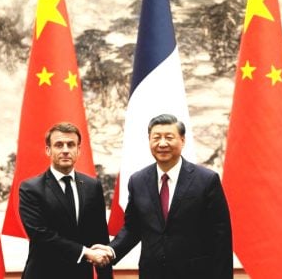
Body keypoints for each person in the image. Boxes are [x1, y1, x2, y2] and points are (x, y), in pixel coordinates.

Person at [93, 113, 233, 279]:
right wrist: (111, 250)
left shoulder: (206, 180)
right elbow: (133, 228)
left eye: (169, 137)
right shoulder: (138, 181)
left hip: (196, 273)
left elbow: (221, 237)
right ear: (149, 140)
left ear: (182, 140)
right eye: (156, 137)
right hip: (152, 273)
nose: (162, 143)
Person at [19, 122, 113, 279]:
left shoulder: (92, 186)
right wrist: (85, 252)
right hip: (43, 274)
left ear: (78, 150)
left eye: (70, 145)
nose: (65, 150)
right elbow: (41, 235)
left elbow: (100, 236)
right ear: (48, 150)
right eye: (59, 145)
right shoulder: (31, 188)